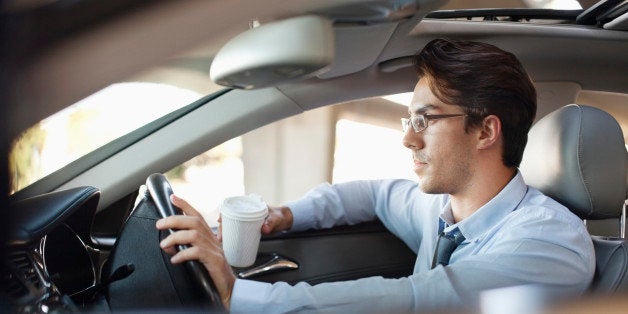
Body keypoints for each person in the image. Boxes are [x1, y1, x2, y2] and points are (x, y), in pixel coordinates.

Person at [156, 38, 595, 313]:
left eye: (424, 119)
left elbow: (417, 299)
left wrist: (239, 295)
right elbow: (373, 195)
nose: (408, 139)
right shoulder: (443, 210)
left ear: (486, 130)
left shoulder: (550, 244)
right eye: (408, 120)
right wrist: (286, 214)